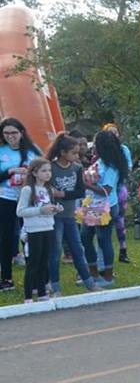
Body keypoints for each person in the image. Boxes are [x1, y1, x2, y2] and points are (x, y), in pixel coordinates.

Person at [47, 133, 97, 295]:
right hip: (54, 216)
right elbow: (46, 190)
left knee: (77, 248)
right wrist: (53, 195)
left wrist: (61, 194)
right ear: (62, 152)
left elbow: (79, 192)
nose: (77, 156)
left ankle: (89, 282)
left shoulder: (76, 168)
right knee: (55, 251)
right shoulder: (51, 167)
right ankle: (54, 286)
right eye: (74, 153)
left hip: (69, 214)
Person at [80, 130, 128, 288]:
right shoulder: (100, 162)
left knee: (102, 239)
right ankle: (93, 273)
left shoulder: (111, 167)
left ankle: (107, 276)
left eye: (95, 144)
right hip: (92, 204)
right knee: (86, 237)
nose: (93, 147)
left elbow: (106, 189)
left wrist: (84, 184)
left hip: (104, 206)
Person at [0, 117, 41, 292]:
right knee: (6, 238)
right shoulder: (2, 151)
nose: (10, 136)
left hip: (29, 199)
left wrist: (29, 174)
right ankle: (6, 278)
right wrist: (10, 172)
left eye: (14, 133)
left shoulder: (32, 151)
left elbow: (45, 172)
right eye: (6, 133)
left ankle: (34, 278)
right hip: (6, 198)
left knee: (30, 236)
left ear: (21, 133)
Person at [16, 158, 62, 302]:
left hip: (48, 227)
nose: (48, 174)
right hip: (34, 230)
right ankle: (28, 296)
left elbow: (45, 209)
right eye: (44, 171)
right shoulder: (28, 189)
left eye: (49, 170)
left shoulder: (47, 189)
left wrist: (54, 210)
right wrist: (40, 210)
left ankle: (42, 293)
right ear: (34, 173)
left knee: (44, 262)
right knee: (33, 263)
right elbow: (20, 211)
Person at [102, 123, 133, 263]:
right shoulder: (100, 152)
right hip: (104, 193)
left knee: (120, 221)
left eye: (115, 132)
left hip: (118, 189)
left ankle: (123, 249)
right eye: (110, 133)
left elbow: (128, 168)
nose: (114, 135)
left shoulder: (123, 149)